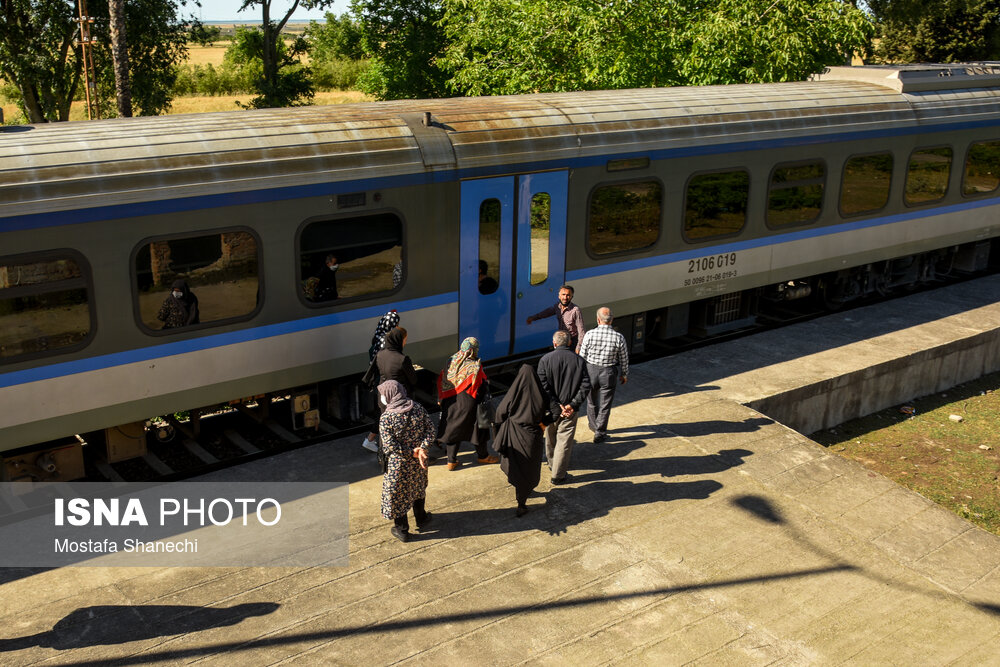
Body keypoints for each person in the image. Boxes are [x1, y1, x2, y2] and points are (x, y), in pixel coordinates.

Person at [377, 380, 433, 543]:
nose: (381, 398)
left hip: (398, 464)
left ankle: (402, 530)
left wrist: (410, 452)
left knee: (398, 494)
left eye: (382, 395)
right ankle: (421, 518)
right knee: (418, 486)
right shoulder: (417, 407)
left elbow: (390, 444)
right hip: (419, 461)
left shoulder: (386, 417)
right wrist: (422, 449)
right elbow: (430, 430)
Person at [495, 364, 553, 516]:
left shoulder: (514, 392)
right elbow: (556, 410)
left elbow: (500, 413)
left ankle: (521, 497)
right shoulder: (542, 393)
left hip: (514, 434)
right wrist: (543, 423)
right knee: (529, 467)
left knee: (516, 466)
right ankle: (523, 500)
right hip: (533, 436)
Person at [536, 330, 591, 484]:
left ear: (554, 343)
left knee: (551, 436)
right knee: (564, 441)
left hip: (550, 409)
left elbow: (542, 386)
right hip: (570, 411)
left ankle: (552, 464)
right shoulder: (579, 361)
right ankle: (558, 475)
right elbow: (586, 385)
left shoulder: (545, 360)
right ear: (569, 343)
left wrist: (555, 405)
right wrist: (572, 405)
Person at [437, 337, 499, 470]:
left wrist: (441, 398)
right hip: (469, 404)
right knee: (479, 431)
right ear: (472, 350)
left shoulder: (451, 361)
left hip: (451, 403)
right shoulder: (474, 366)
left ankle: (451, 461)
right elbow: (480, 385)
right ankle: (483, 456)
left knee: (453, 429)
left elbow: (441, 379)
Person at [578, 306, 629, 443]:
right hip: (609, 372)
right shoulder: (619, 337)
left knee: (591, 401)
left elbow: (582, 356)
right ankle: (600, 432)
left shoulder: (589, 334)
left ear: (598, 320)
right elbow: (624, 358)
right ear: (611, 320)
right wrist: (624, 374)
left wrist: (581, 375)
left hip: (591, 371)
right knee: (605, 404)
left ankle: (593, 425)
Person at [361, 310, 401, 452]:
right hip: (384, 380)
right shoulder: (387, 341)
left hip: (378, 380)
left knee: (383, 412)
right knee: (385, 413)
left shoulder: (377, 337)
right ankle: (372, 440)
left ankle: (373, 440)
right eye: (396, 324)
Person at [525, 285, 585, 352]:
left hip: (572, 341)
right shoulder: (557, 307)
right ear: (559, 296)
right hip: (561, 340)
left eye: (568, 295)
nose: (565, 297)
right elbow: (546, 313)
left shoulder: (575, 310)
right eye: (563, 294)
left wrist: (578, 348)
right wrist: (533, 318)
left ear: (572, 297)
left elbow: (581, 331)